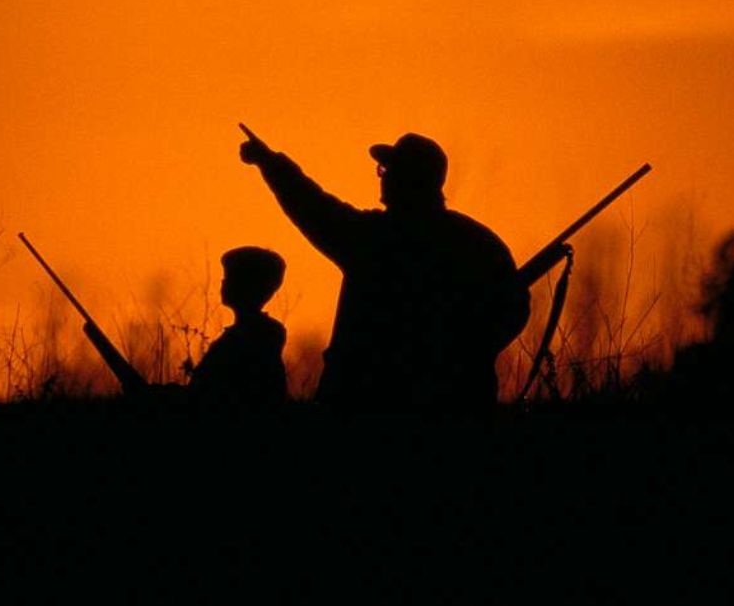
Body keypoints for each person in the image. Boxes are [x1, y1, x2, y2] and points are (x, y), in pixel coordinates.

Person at [239, 126, 529, 409]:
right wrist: (465, 358)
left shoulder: (375, 239)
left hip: (365, 403)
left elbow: (313, 207)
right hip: (456, 406)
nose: (383, 178)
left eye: (388, 171)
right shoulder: (478, 242)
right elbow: (514, 308)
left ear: (407, 180)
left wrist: (269, 163)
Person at [187, 246, 289, 408]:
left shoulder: (253, 337)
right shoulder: (258, 333)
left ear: (249, 285)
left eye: (230, 277)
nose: (223, 282)